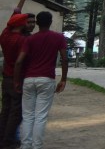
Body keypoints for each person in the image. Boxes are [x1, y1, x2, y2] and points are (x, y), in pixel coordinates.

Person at [13, 11, 67, 149]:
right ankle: (37, 146)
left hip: (29, 79)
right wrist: (63, 79)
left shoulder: (29, 39)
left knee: (28, 115)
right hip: (46, 79)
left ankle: (25, 145)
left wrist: (17, 81)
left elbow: (19, 62)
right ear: (50, 22)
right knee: (40, 116)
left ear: (37, 23)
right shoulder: (58, 38)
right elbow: (64, 59)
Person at [0, 14, 29, 147]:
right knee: (16, 112)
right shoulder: (22, 40)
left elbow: (13, 16)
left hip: (5, 78)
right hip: (16, 78)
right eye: (26, 22)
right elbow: (19, 62)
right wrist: (17, 81)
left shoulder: (4, 35)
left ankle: (1, 137)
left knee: (5, 109)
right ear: (21, 25)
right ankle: (8, 140)